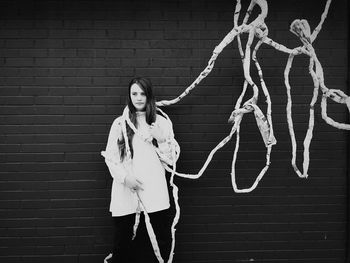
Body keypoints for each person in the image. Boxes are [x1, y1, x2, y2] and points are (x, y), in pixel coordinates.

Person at [101, 77, 177, 263]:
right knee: (123, 245)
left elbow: (172, 160)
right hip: (126, 193)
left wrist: (160, 140)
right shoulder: (119, 123)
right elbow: (111, 157)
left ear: (149, 95)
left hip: (155, 194)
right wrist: (125, 179)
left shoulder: (161, 123)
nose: (139, 98)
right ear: (129, 95)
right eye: (134, 93)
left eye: (143, 93)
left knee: (161, 243)